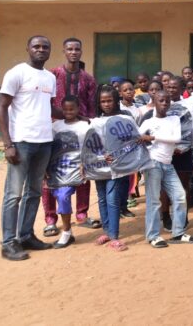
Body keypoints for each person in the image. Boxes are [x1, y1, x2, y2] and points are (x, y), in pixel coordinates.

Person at [0, 36, 60, 261]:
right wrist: (8, 144)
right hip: (21, 142)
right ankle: (8, 243)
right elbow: (1, 107)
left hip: (44, 142)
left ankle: (26, 236)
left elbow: (49, 108)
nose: (41, 50)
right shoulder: (16, 73)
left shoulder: (50, 77)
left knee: (34, 192)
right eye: (36, 46)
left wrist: (78, 116)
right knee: (13, 194)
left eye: (45, 47)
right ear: (28, 49)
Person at [43, 37, 99, 238]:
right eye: (70, 49)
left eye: (77, 49)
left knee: (83, 172)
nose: (73, 52)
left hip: (79, 131)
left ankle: (82, 214)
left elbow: (91, 107)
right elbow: (45, 101)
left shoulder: (89, 79)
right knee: (49, 174)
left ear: (81, 51)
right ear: (64, 51)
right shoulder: (52, 75)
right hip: (54, 129)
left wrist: (88, 125)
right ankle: (50, 219)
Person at [139, 90, 193, 247]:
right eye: (161, 100)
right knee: (154, 201)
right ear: (154, 102)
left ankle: (178, 233)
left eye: (167, 101)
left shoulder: (174, 119)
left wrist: (153, 137)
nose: (164, 103)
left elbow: (176, 138)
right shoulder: (148, 122)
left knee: (179, 196)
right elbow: (137, 138)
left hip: (168, 164)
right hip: (153, 164)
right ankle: (153, 236)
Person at [48, 96, 90, 249]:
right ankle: (68, 231)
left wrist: (87, 164)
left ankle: (66, 232)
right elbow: (49, 147)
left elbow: (91, 146)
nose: (68, 112)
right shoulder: (55, 126)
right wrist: (46, 167)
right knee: (61, 197)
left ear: (78, 109)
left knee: (64, 196)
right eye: (65, 109)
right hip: (59, 168)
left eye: (72, 109)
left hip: (78, 168)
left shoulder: (85, 126)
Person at [93, 86, 131, 251]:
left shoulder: (124, 119)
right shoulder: (95, 121)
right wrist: (100, 157)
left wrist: (118, 155)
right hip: (99, 166)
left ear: (116, 101)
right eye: (103, 101)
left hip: (117, 166)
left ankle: (114, 236)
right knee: (102, 198)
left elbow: (131, 142)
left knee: (112, 198)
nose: (106, 104)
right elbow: (91, 145)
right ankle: (107, 231)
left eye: (109, 101)